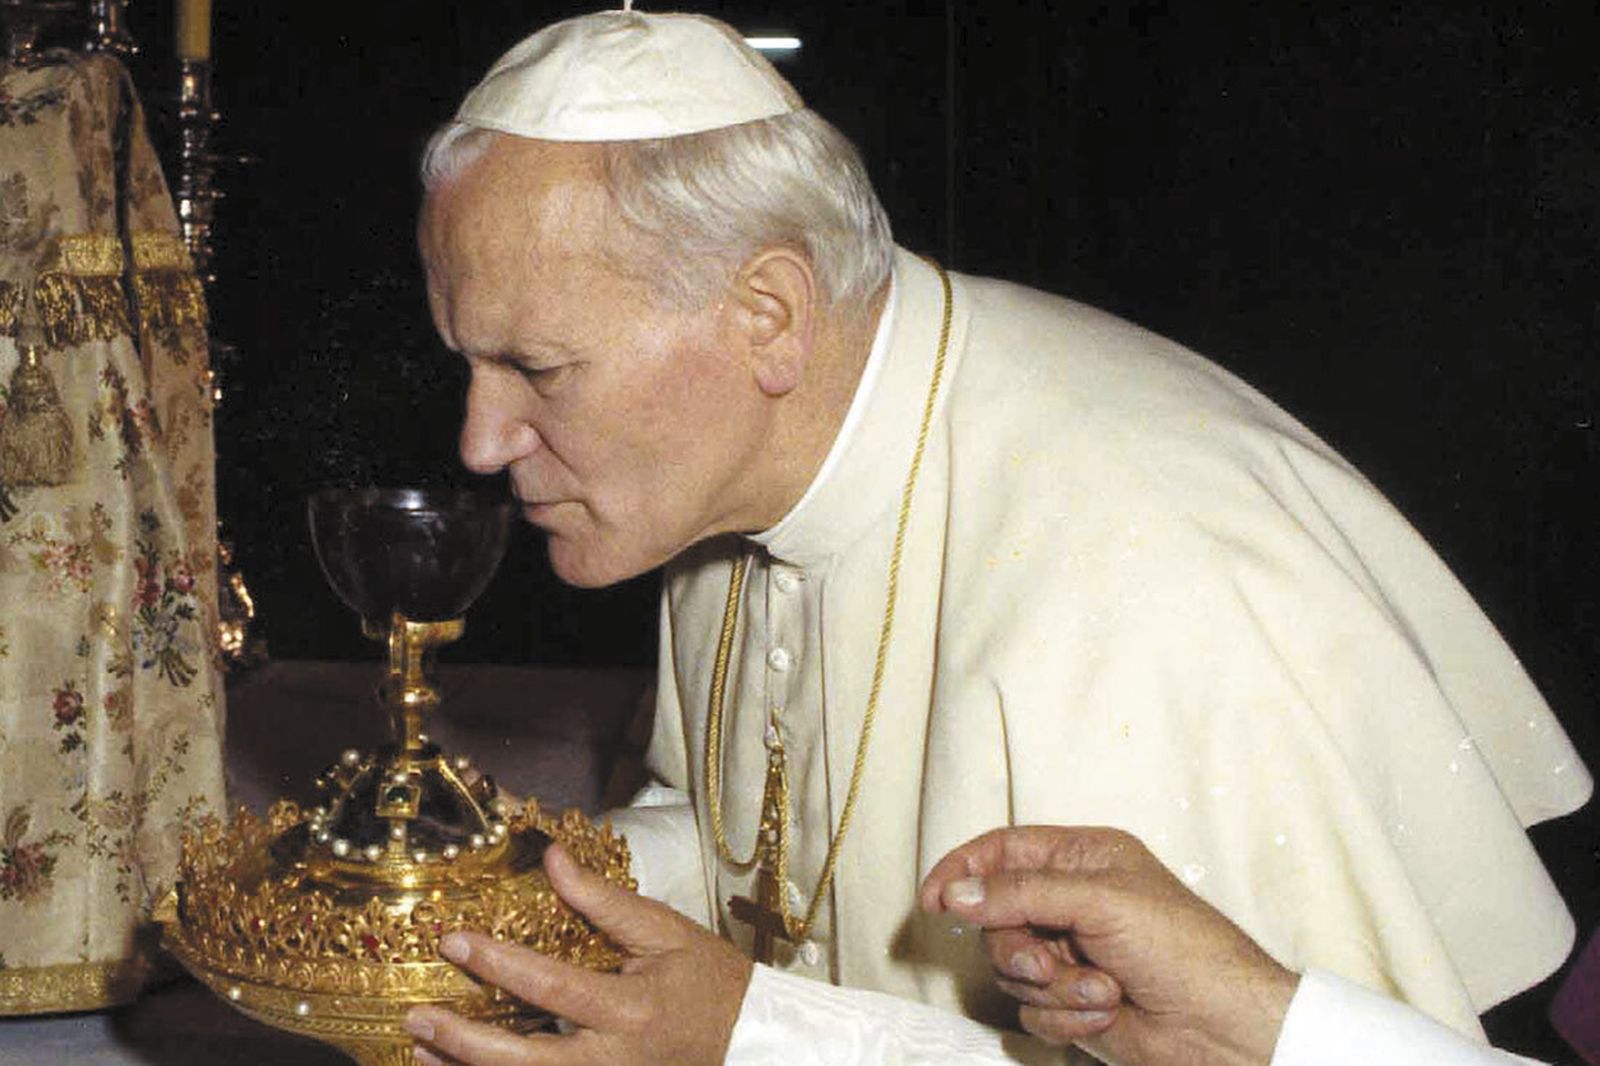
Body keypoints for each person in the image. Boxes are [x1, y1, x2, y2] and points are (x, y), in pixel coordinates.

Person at [404, 7, 1591, 1064]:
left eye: (536, 367)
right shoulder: (729, 468)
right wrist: (528, 892)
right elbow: (763, 848)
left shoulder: (1155, 567)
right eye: (469, 361)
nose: (481, 440)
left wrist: (753, 1038)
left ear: (766, 316)